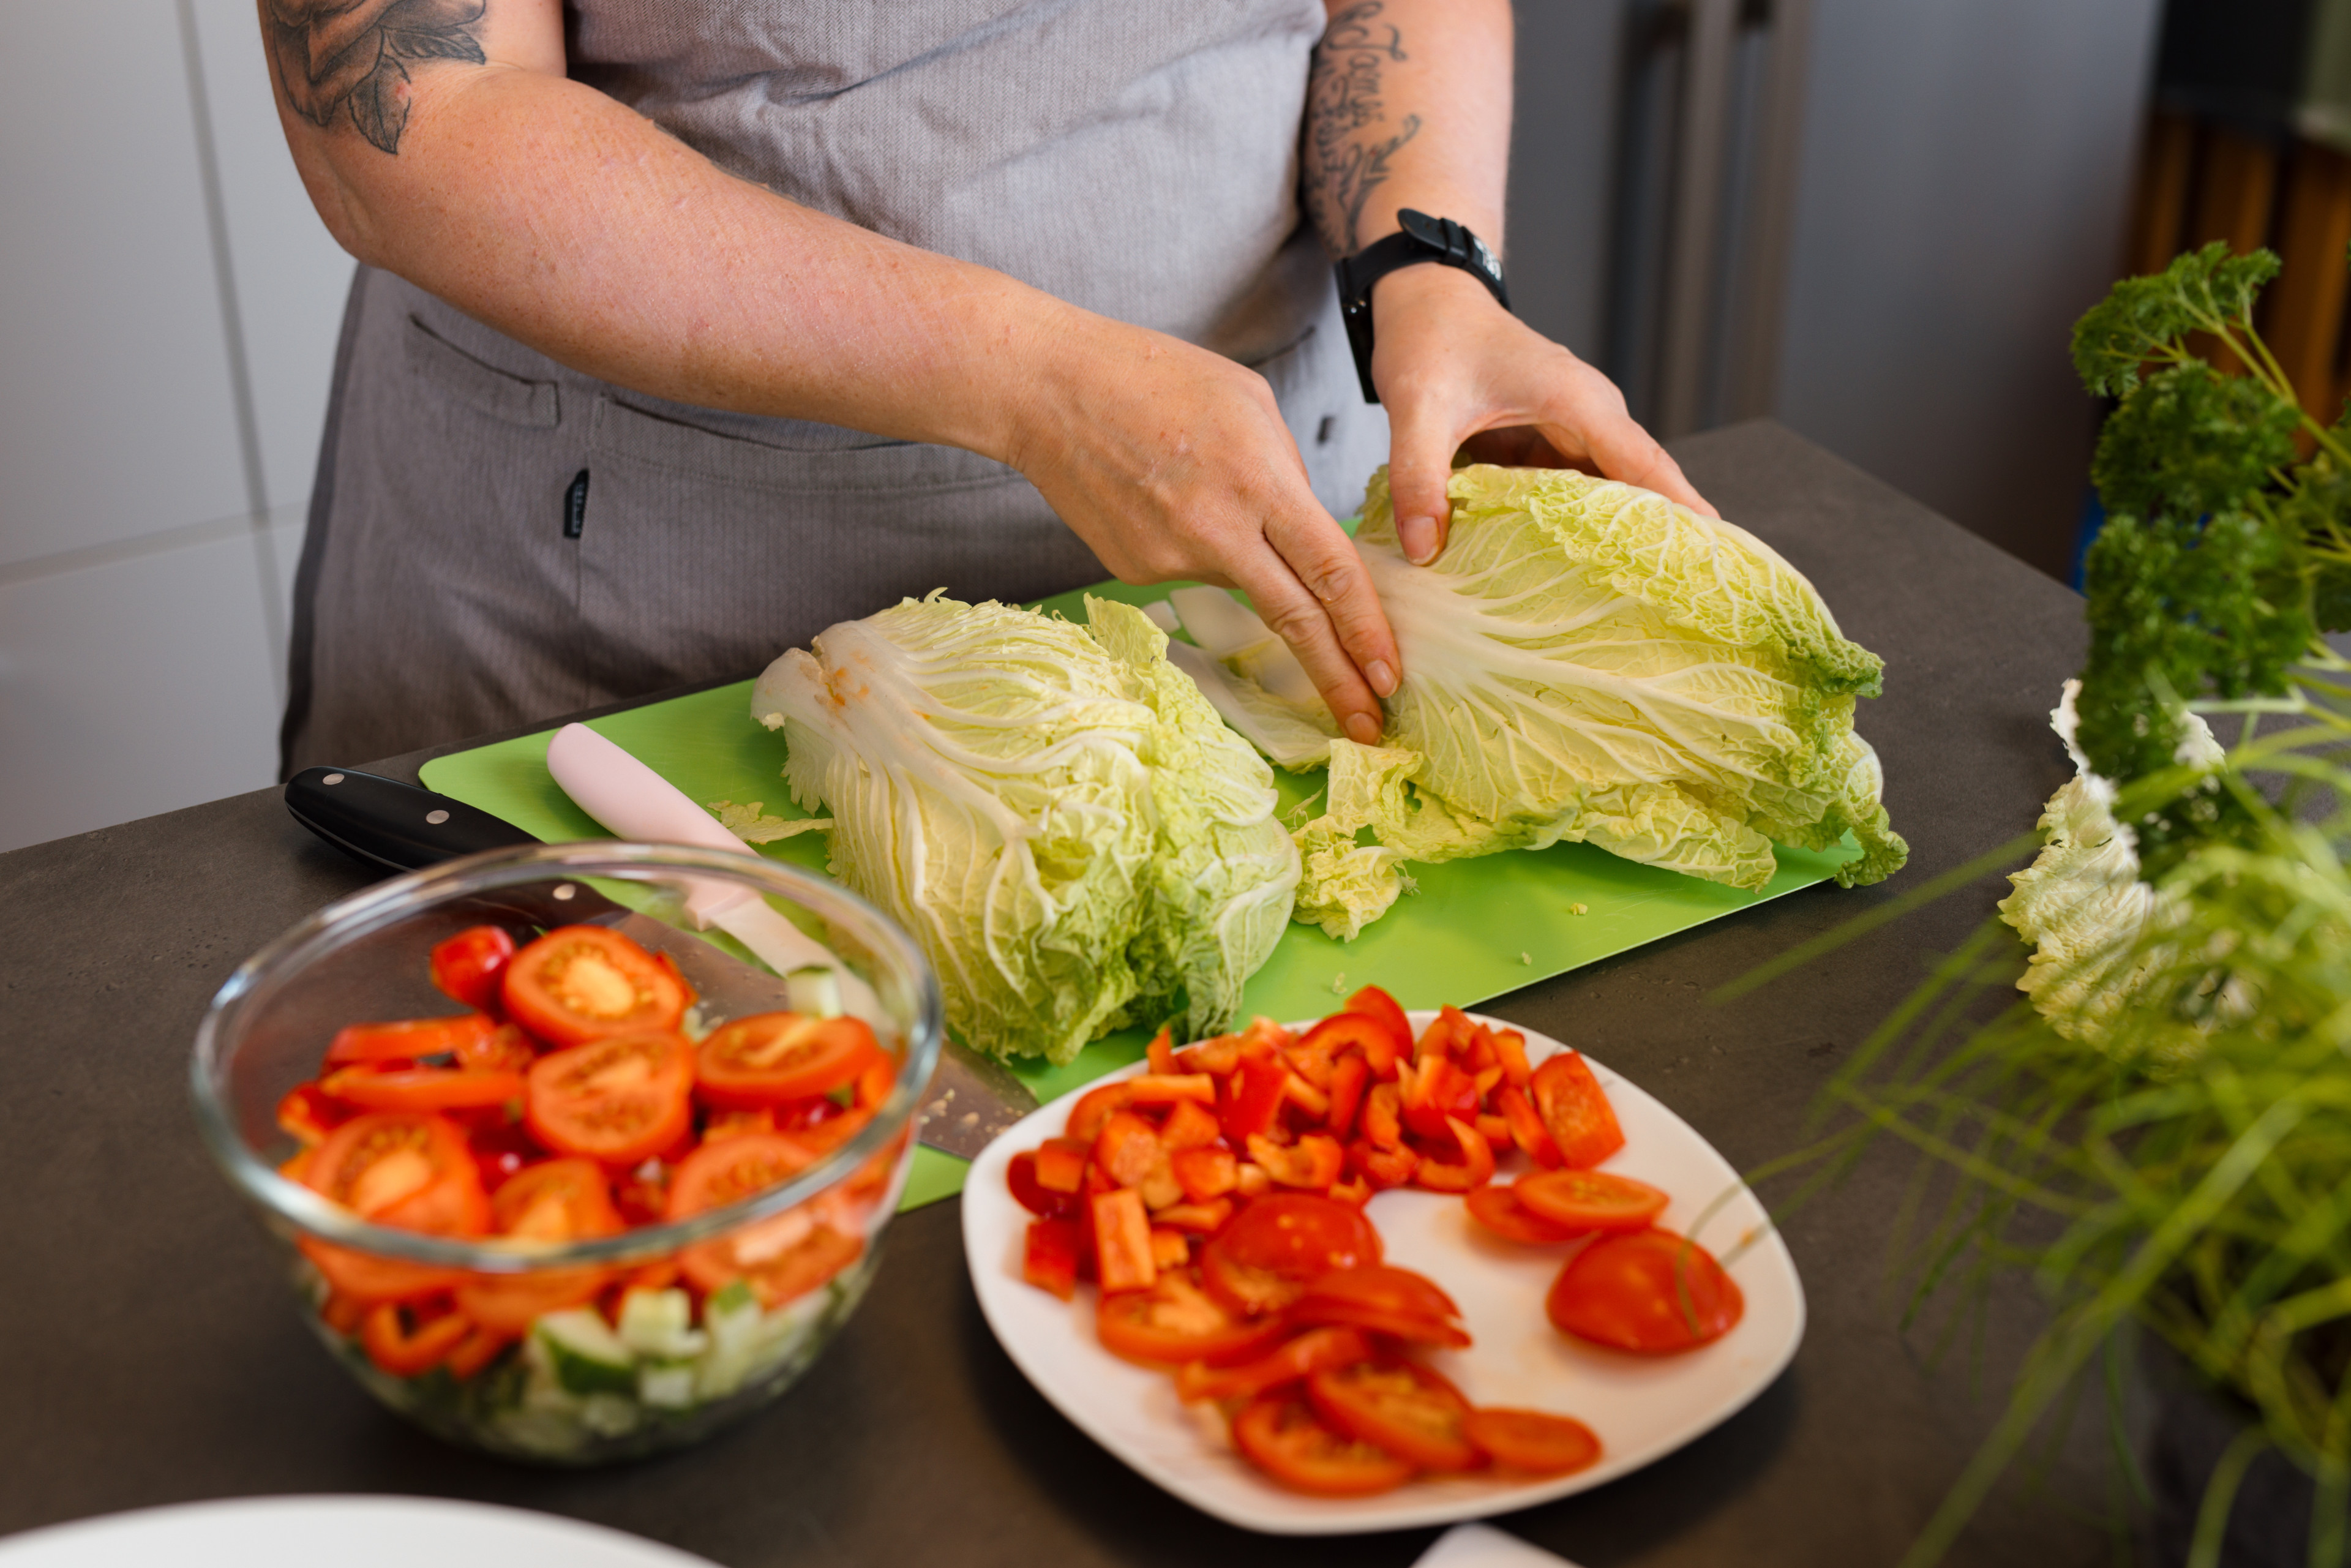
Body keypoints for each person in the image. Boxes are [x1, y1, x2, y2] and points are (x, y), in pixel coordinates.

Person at [266, 0, 1712, 773]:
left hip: (1260, 571)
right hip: (637, 609)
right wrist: (1034, 380)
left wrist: (1431, 263)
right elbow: (409, 119)